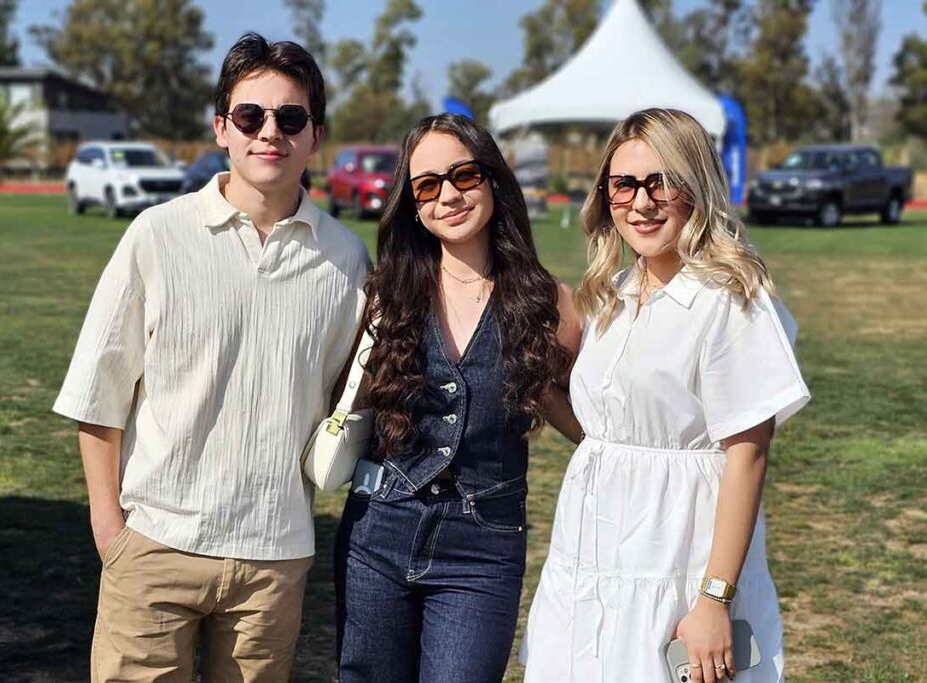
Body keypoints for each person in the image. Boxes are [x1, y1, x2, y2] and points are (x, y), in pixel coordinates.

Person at [52, 33, 369, 681]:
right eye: (250, 116)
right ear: (221, 128)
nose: (269, 132)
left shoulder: (346, 260)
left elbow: (345, 402)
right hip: (156, 543)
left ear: (315, 136)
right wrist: (111, 531)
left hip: (272, 559)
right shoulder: (157, 236)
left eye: (291, 117)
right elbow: (98, 393)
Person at [522, 108, 810, 683]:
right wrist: (538, 382)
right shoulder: (612, 294)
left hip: (678, 561)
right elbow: (603, 436)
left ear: (697, 188)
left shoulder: (731, 300)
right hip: (590, 560)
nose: (642, 202)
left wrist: (714, 601)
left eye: (663, 181)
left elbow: (748, 454)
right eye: (624, 184)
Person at [334, 113, 581, 683]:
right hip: (377, 533)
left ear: (492, 179)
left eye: (464, 175)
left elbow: (587, 427)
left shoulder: (552, 304)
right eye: (427, 185)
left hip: (484, 549)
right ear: (412, 204)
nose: (448, 195)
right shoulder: (383, 297)